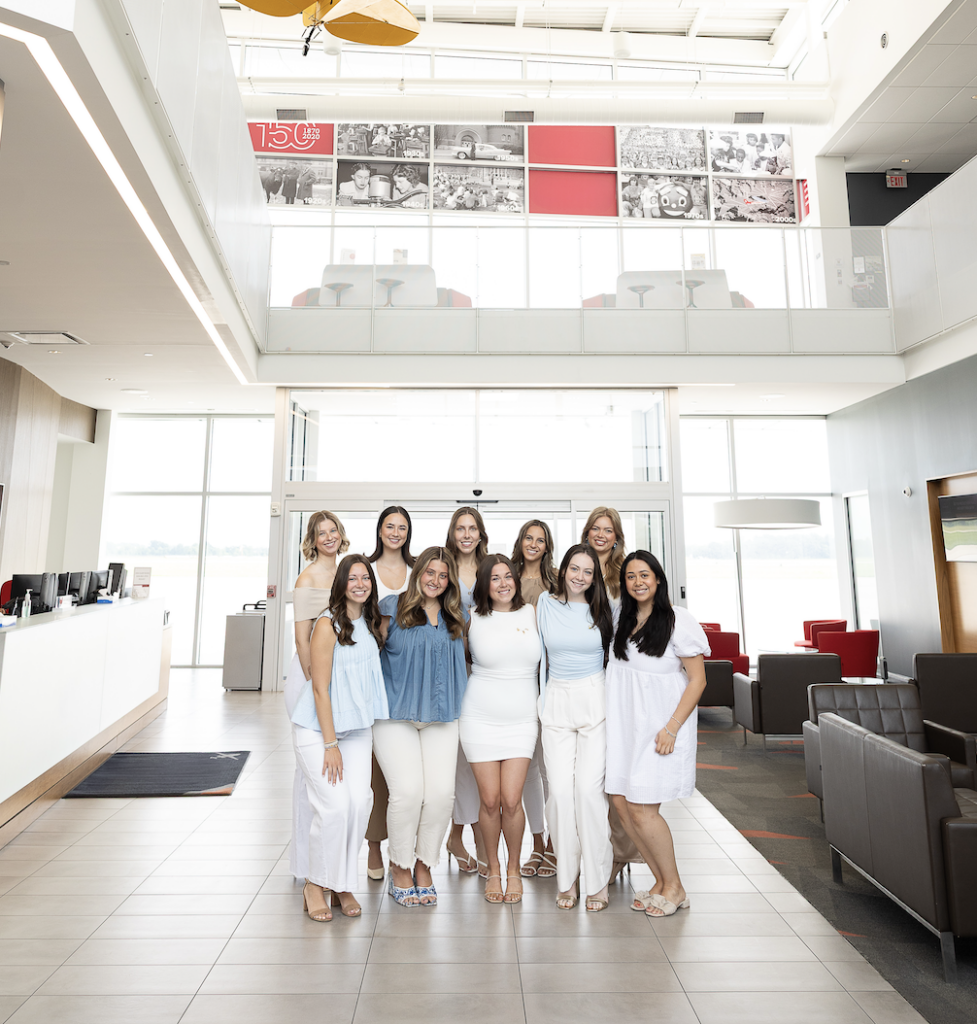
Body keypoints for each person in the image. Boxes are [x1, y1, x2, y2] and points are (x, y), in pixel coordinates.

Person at [605, 551, 709, 918]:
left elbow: (698, 680)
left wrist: (672, 728)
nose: (637, 582)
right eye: (631, 576)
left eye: (644, 575)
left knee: (642, 807)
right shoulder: (622, 615)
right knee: (620, 801)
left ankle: (675, 886)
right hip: (624, 726)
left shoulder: (679, 620)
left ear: (659, 579)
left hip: (659, 727)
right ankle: (661, 882)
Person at [288, 555, 389, 921]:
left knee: (359, 803)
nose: (360, 584)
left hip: (357, 728)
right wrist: (330, 745)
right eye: (353, 578)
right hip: (318, 730)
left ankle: (343, 882)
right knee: (333, 807)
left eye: (366, 578)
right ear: (342, 583)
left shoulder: (373, 623)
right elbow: (319, 688)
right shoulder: (327, 624)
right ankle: (316, 884)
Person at [375, 547, 468, 906]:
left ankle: (424, 863)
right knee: (408, 792)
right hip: (394, 714)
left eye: (443, 575)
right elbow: (367, 651)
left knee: (442, 794)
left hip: (442, 716)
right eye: (430, 572)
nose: (435, 580)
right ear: (418, 573)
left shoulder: (457, 616)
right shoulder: (390, 607)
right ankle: (399, 866)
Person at [536, 544, 615, 911]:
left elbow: (616, 659)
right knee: (561, 795)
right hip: (556, 700)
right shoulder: (545, 605)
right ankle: (567, 878)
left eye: (587, 571)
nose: (580, 576)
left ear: (594, 576)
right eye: (574, 568)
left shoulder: (604, 609)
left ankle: (598, 881)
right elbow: (538, 658)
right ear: (563, 569)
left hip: (594, 698)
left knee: (587, 791)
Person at [459, 555, 541, 904]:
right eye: (495, 579)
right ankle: (493, 868)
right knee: (490, 801)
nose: (504, 583)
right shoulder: (471, 618)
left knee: (512, 799)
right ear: (484, 584)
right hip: (479, 718)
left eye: (509, 576)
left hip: (523, 720)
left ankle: (513, 868)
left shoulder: (532, 613)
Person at [285, 511, 349, 884]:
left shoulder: (344, 572)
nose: (328, 537)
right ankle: (305, 866)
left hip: (337, 677)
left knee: (327, 777)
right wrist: (316, 688)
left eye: (333, 530)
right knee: (307, 774)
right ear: (312, 539)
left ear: (341, 534)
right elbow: (301, 640)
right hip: (310, 679)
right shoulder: (308, 577)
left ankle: (327, 861)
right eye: (321, 533)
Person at [363, 506, 417, 883]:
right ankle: (373, 845)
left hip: (407, 679)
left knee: (404, 775)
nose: (395, 533)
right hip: (370, 675)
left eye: (401, 528)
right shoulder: (364, 569)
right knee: (373, 773)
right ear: (379, 531)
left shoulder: (418, 571)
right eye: (389, 527)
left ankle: (405, 849)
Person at [444, 507, 491, 875]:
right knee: (462, 758)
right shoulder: (441, 566)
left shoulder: (491, 568)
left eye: (472, 528)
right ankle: (464, 835)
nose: (466, 534)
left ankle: (463, 835)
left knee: (480, 759)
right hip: (454, 667)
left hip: (488, 671)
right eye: (460, 528)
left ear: (480, 533)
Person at [510, 520, 557, 878]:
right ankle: (537, 844)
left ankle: (555, 846)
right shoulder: (505, 577)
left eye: (541, 540)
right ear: (520, 541)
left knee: (550, 769)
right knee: (525, 770)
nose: (534, 544)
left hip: (551, 682)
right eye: (529, 537)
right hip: (516, 683)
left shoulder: (556, 582)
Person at [580, 506, 626, 605]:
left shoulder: (626, 571)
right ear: (587, 534)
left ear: (616, 538)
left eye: (608, 530)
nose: (600, 535)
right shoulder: (574, 568)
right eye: (595, 529)